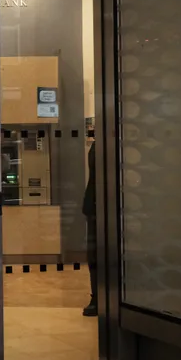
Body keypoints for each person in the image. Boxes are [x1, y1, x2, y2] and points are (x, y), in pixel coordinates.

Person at [82, 129, 98, 317]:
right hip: (95, 206)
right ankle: (97, 297)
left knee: (95, 255)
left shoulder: (100, 144)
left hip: (97, 206)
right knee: (94, 255)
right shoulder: (100, 144)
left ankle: (98, 297)